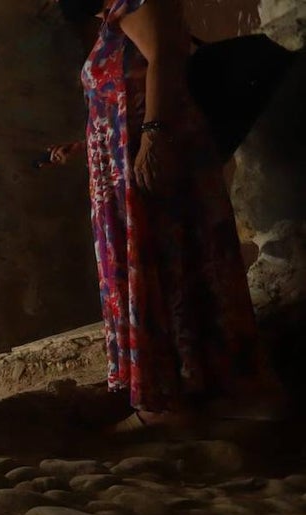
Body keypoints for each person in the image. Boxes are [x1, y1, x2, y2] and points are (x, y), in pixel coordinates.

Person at [46, 0, 271, 429]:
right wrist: (89, 142)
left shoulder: (132, 2)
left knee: (172, 258)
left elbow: (165, 56)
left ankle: (180, 400)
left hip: (150, 151)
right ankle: (184, 393)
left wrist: (153, 136)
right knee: (164, 264)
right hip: (125, 156)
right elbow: (125, 86)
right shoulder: (112, 18)